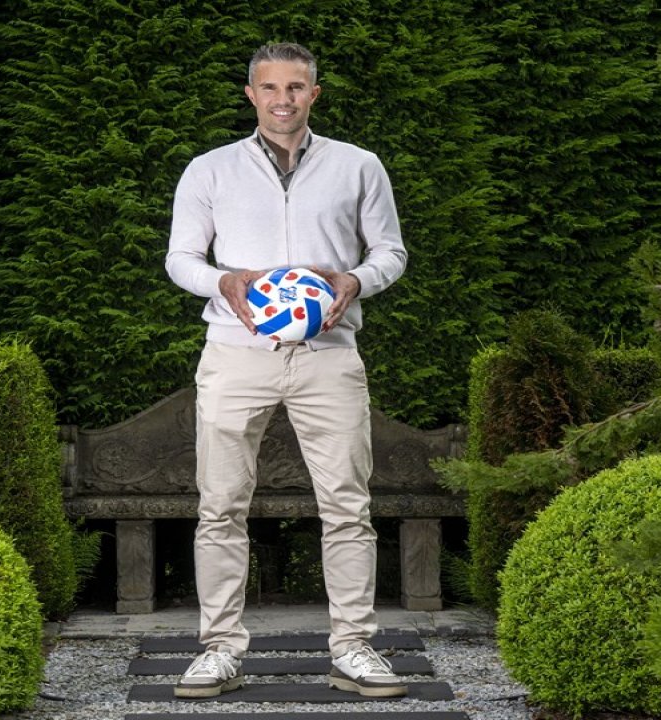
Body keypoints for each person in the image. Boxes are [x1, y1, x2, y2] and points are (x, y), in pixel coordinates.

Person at [165, 42, 409, 699]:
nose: (283, 100)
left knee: (348, 505)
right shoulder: (210, 170)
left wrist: (355, 280)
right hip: (235, 353)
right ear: (251, 94)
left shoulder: (358, 165)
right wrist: (225, 283)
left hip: (330, 356)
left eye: (296, 88)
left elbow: (391, 252)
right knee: (220, 506)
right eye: (270, 88)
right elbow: (180, 258)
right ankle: (219, 650)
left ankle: (353, 648)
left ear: (314, 94)